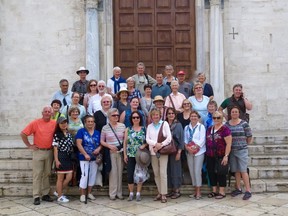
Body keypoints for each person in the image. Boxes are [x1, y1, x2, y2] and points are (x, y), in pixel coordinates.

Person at [20, 106, 56, 205]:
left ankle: (45, 194)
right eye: (46, 111)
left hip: (50, 152)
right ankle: (36, 195)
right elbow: (23, 133)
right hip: (38, 151)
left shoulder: (54, 123)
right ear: (42, 113)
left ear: (51, 113)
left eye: (49, 111)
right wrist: (29, 145)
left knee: (47, 174)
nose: (47, 113)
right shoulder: (35, 123)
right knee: (37, 174)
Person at [225, 106, 253, 200]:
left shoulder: (244, 123)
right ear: (230, 113)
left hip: (242, 150)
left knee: (243, 170)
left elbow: (249, 136)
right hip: (232, 150)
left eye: (236, 112)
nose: (234, 113)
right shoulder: (227, 124)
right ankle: (238, 188)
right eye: (232, 112)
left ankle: (248, 190)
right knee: (236, 170)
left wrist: (244, 144)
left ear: (239, 113)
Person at [146, 108, 172, 203]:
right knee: (156, 173)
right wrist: (155, 144)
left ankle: (164, 194)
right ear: (151, 117)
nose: (155, 117)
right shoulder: (149, 126)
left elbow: (169, 138)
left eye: (157, 115)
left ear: (160, 115)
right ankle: (159, 192)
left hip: (163, 151)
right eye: (153, 115)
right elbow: (147, 139)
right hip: (153, 152)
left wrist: (160, 145)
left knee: (163, 173)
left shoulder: (164, 124)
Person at [101, 108, 126, 200]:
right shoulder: (105, 127)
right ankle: (112, 194)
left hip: (120, 152)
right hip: (111, 152)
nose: (116, 117)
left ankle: (119, 193)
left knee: (120, 173)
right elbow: (102, 141)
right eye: (113, 115)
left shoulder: (122, 126)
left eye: (117, 115)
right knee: (113, 173)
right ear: (109, 117)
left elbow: (125, 140)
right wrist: (109, 146)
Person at [205, 111, 232, 199]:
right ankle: (214, 190)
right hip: (210, 155)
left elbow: (228, 143)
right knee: (211, 172)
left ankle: (222, 191)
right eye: (214, 118)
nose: (216, 119)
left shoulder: (225, 129)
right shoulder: (210, 129)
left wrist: (226, 156)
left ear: (222, 119)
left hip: (221, 155)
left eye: (218, 118)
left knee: (221, 173)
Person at [76, 115, 102, 202]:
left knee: (92, 175)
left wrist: (98, 149)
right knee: (84, 175)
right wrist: (85, 154)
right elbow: (78, 144)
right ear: (85, 122)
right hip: (84, 157)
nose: (90, 123)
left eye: (92, 121)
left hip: (94, 158)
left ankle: (89, 193)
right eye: (88, 121)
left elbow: (101, 143)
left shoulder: (98, 132)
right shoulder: (81, 131)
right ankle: (82, 194)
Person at [123, 111, 148, 201]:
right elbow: (125, 142)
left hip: (141, 156)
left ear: (140, 118)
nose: (136, 119)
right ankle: (131, 193)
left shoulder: (144, 129)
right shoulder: (128, 129)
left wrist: (144, 145)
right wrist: (125, 154)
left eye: (137, 117)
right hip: (130, 154)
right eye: (134, 117)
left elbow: (147, 141)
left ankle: (138, 193)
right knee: (130, 175)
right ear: (131, 119)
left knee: (140, 175)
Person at [184, 111, 206, 199]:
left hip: (199, 151)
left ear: (198, 117)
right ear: (189, 117)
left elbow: (203, 139)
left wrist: (196, 147)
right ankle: (194, 190)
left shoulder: (201, 127)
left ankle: (198, 192)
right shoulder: (186, 127)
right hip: (189, 151)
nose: (193, 118)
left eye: (195, 116)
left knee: (197, 171)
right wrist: (188, 148)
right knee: (192, 171)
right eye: (192, 116)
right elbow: (185, 140)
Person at [52, 116, 73, 203]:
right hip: (61, 156)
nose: (64, 124)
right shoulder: (57, 135)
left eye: (65, 122)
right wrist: (56, 160)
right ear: (58, 124)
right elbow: (55, 148)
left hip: (68, 157)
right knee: (60, 178)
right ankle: (60, 196)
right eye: (62, 123)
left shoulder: (69, 134)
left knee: (69, 176)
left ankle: (58, 191)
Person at [165, 108, 184, 199]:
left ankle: (177, 190)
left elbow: (181, 139)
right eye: (169, 113)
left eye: (172, 113)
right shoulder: (164, 124)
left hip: (175, 150)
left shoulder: (178, 125)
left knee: (176, 170)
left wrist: (179, 152)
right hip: (166, 150)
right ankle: (170, 189)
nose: (171, 115)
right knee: (168, 170)